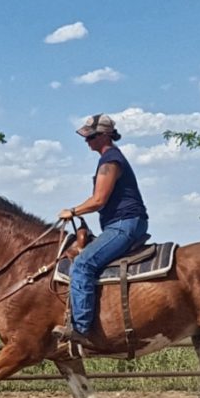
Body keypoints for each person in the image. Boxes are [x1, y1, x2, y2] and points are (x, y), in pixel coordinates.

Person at [54, 114, 149, 349]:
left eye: (92, 136)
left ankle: (82, 329)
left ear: (105, 135)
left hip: (124, 223)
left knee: (83, 263)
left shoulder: (110, 160)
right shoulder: (108, 159)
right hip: (124, 223)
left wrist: (73, 211)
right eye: (87, 136)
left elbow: (98, 200)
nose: (87, 140)